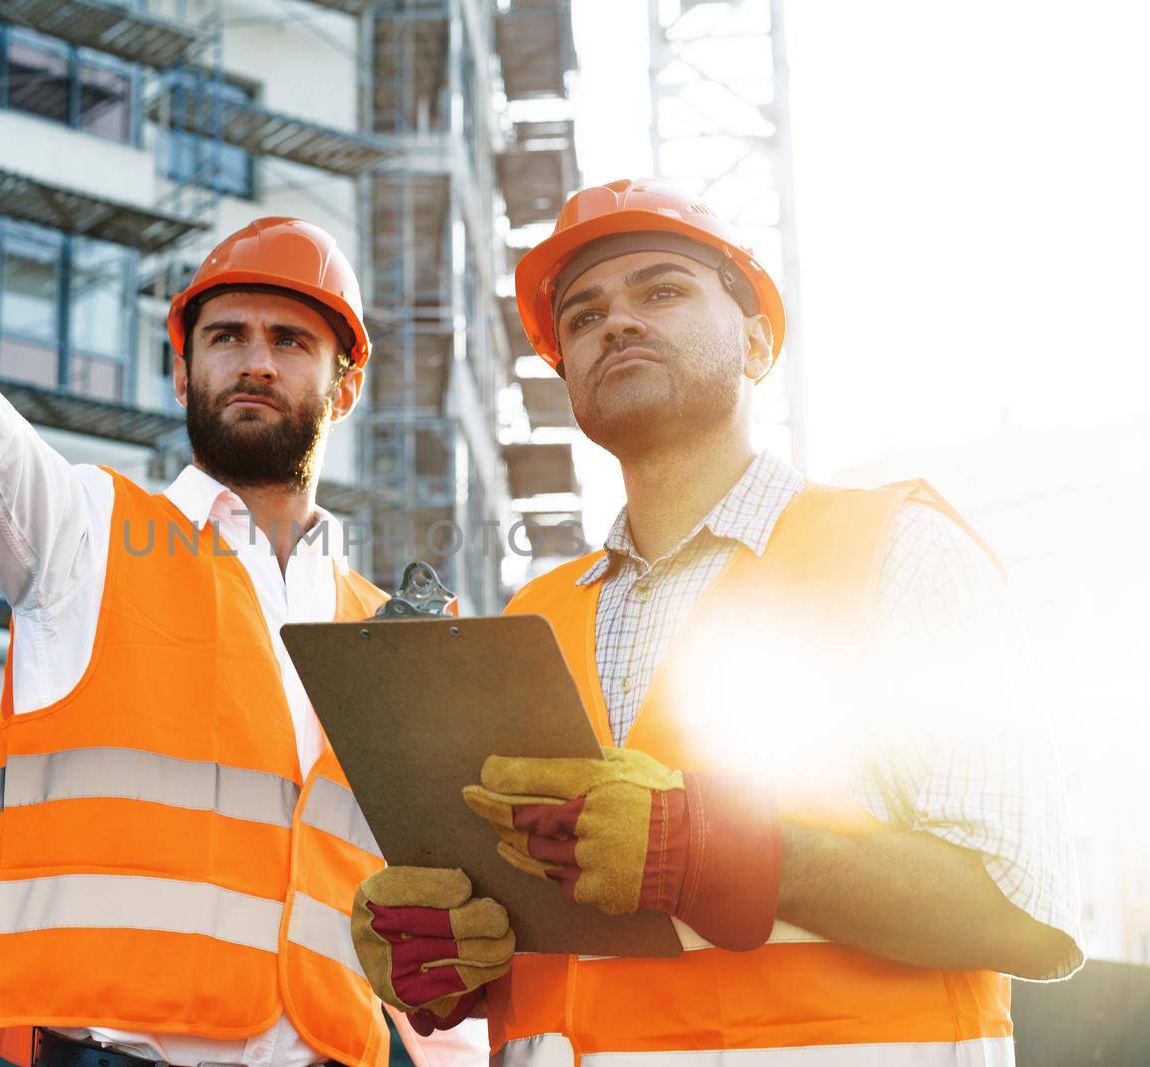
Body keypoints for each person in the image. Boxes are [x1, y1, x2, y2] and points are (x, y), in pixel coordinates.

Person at [0, 17, 476, 1067]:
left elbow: (437, 923)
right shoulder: (84, 530)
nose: (254, 361)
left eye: (290, 340)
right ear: (182, 371)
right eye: (225, 335)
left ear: (343, 385)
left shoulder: (395, 632)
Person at [351, 179, 1084, 1065]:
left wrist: (721, 853)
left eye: (661, 290)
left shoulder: (902, 552)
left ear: (758, 337)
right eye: (582, 317)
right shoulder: (532, 617)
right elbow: (546, 951)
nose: (615, 323)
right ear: (567, 378)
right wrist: (446, 951)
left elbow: (1026, 907)